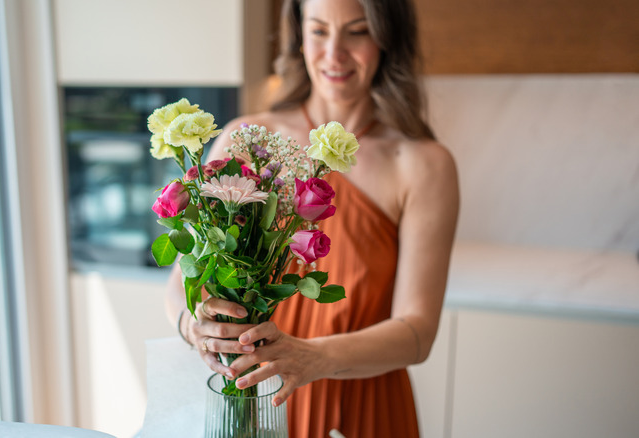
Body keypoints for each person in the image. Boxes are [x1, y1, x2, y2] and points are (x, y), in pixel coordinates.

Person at [164, 0, 459, 436]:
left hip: (367, 409)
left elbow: (418, 333)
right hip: (252, 406)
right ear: (299, 38)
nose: (334, 53)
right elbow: (179, 284)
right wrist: (196, 327)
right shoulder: (246, 140)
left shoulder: (423, 164)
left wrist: (315, 356)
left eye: (357, 31)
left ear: (387, 38)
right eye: (319, 31)